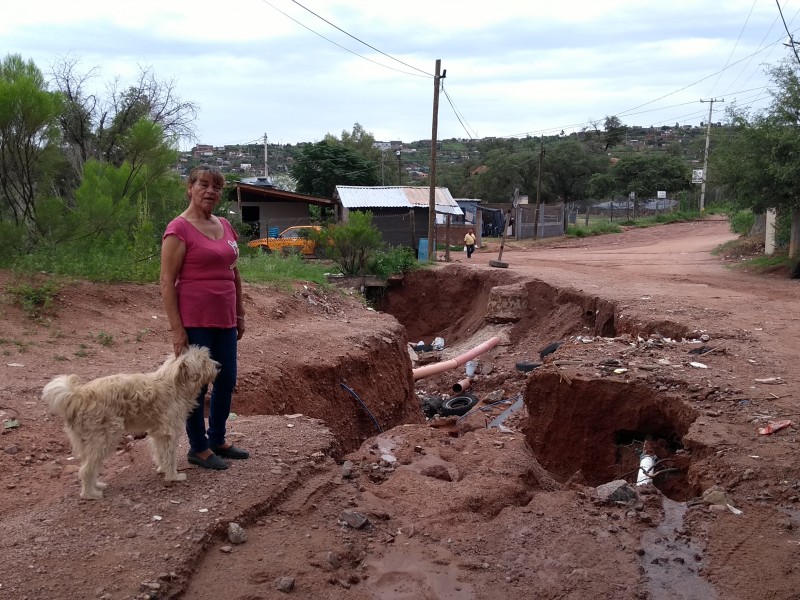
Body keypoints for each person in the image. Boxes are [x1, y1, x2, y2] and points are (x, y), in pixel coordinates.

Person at [160, 165, 249, 471]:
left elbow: (234, 271)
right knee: (195, 385)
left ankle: (218, 438)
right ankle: (198, 447)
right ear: (190, 188)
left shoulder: (225, 224)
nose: (211, 191)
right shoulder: (178, 229)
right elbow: (166, 281)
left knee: (227, 380)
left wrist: (240, 312)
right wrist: (177, 331)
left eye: (217, 187)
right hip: (195, 319)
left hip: (225, 317)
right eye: (204, 185)